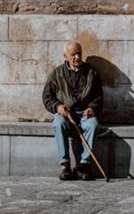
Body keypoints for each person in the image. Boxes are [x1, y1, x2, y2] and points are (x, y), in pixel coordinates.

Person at [42, 40, 103, 180]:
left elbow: (98, 96)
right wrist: (58, 106)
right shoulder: (57, 74)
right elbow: (47, 97)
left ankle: (83, 165)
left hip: (84, 113)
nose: (77, 57)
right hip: (66, 113)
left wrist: (92, 108)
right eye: (73, 54)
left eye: (79, 53)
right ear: (65, 56)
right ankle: (65, 166)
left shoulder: (91, 72)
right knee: (58, 124)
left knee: (93, 125)